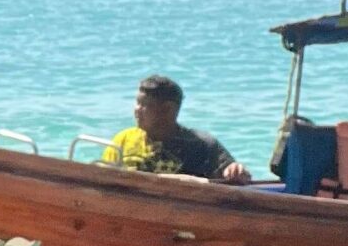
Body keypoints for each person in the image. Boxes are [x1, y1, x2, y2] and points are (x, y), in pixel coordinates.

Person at [107, 74, 252, 183]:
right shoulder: (123, 139)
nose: (137, 110)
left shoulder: (201, 145)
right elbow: (104, 177)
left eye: (144, 104)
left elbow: (236, 176)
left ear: (167, 109)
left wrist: (236, 170)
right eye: (137, 103)